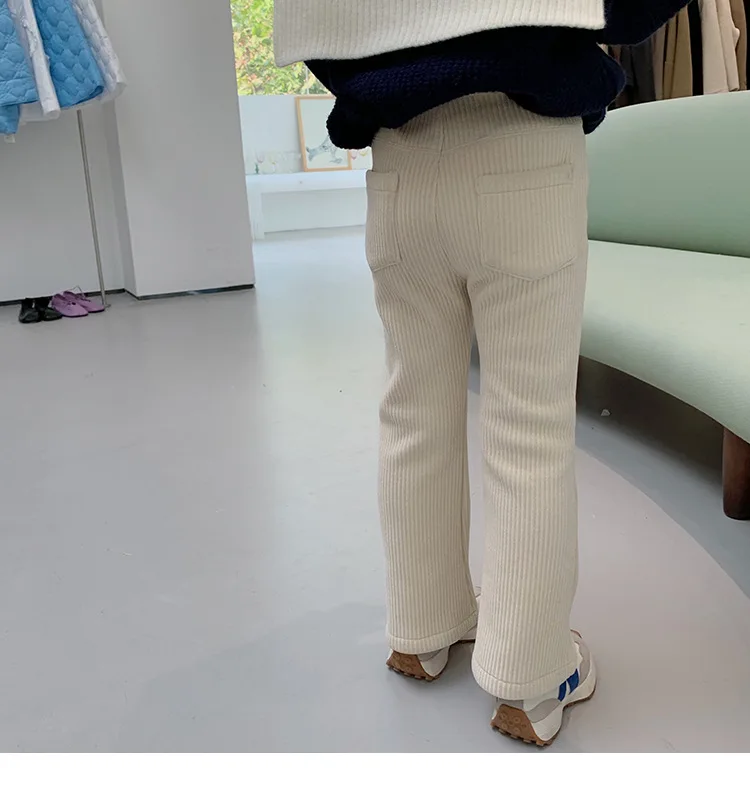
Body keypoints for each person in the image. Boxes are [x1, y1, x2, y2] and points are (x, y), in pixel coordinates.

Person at [274, 0, 690, 746]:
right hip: (523, 151)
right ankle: (531, 677)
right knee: (529, 425)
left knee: (411, 409)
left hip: (399, 163)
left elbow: (318, 25)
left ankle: (421, 629)